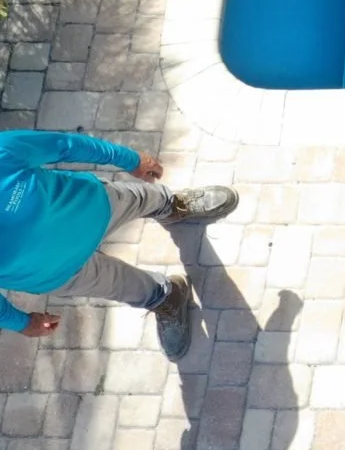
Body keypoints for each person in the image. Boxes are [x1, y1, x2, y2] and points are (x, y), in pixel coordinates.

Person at [0, 129, 237, 360]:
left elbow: (64, 145)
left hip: (95, 207)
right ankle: (166, 297)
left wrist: (130, 160)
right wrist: (20, 322)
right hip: (56, 274)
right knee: (123, 286)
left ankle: (172, 205)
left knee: (141, 199)